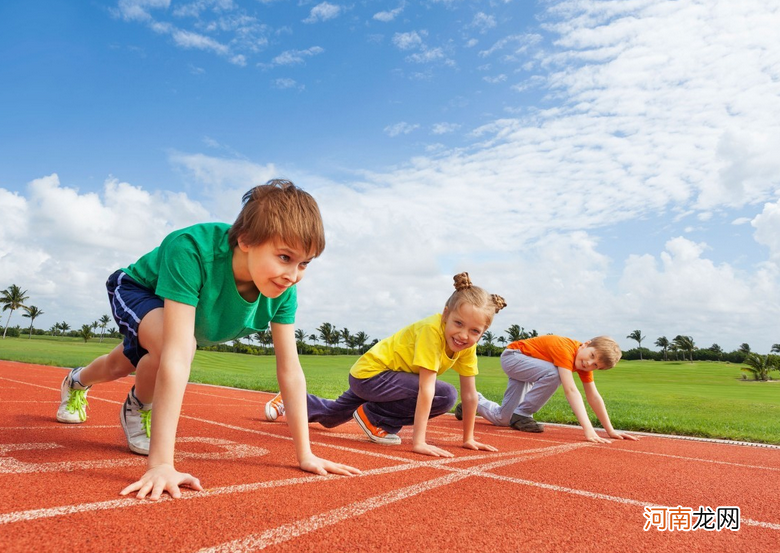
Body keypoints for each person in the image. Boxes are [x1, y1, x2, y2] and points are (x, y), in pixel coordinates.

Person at [56, 179, 360, 500]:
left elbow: (290, 370)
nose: (294, 274)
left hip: (177, 322)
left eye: (304, 264)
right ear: (245, 240)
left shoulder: (283, 290)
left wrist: (306, 455)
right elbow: (175, 354)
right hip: (138, 289)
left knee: (119, 364)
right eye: (284, 257)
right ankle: (138, 407)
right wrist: (161, 464)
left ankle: (76, 381)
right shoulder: (190, 250)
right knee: (176, 348)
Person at [264, 273, 506, 458]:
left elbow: (471, 395)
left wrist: (469, 438)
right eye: (458, 323)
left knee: (331, 417)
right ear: (445, 315)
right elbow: (427, 389)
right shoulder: (432, 331)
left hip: (389, 382)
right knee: (445, 395)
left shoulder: (466, 346)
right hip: (372, 376)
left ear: (483, 331)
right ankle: (375, 419)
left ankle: (290, 399)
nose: (464, 335)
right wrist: (418, 442)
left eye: (475, 330)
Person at [457, 335, 637, 444]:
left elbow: (593, 396)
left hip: (528, 366)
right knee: (555, 373)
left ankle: (471, 404)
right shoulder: (565, 349)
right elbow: (571, 391)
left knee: (504, 419)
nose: (589, 363)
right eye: (591, 355)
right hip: (514, 357)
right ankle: (523, 414)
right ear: (585, 344)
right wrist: (588, 430)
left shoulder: (583, 365)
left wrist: (610, 430)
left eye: (595, 365)